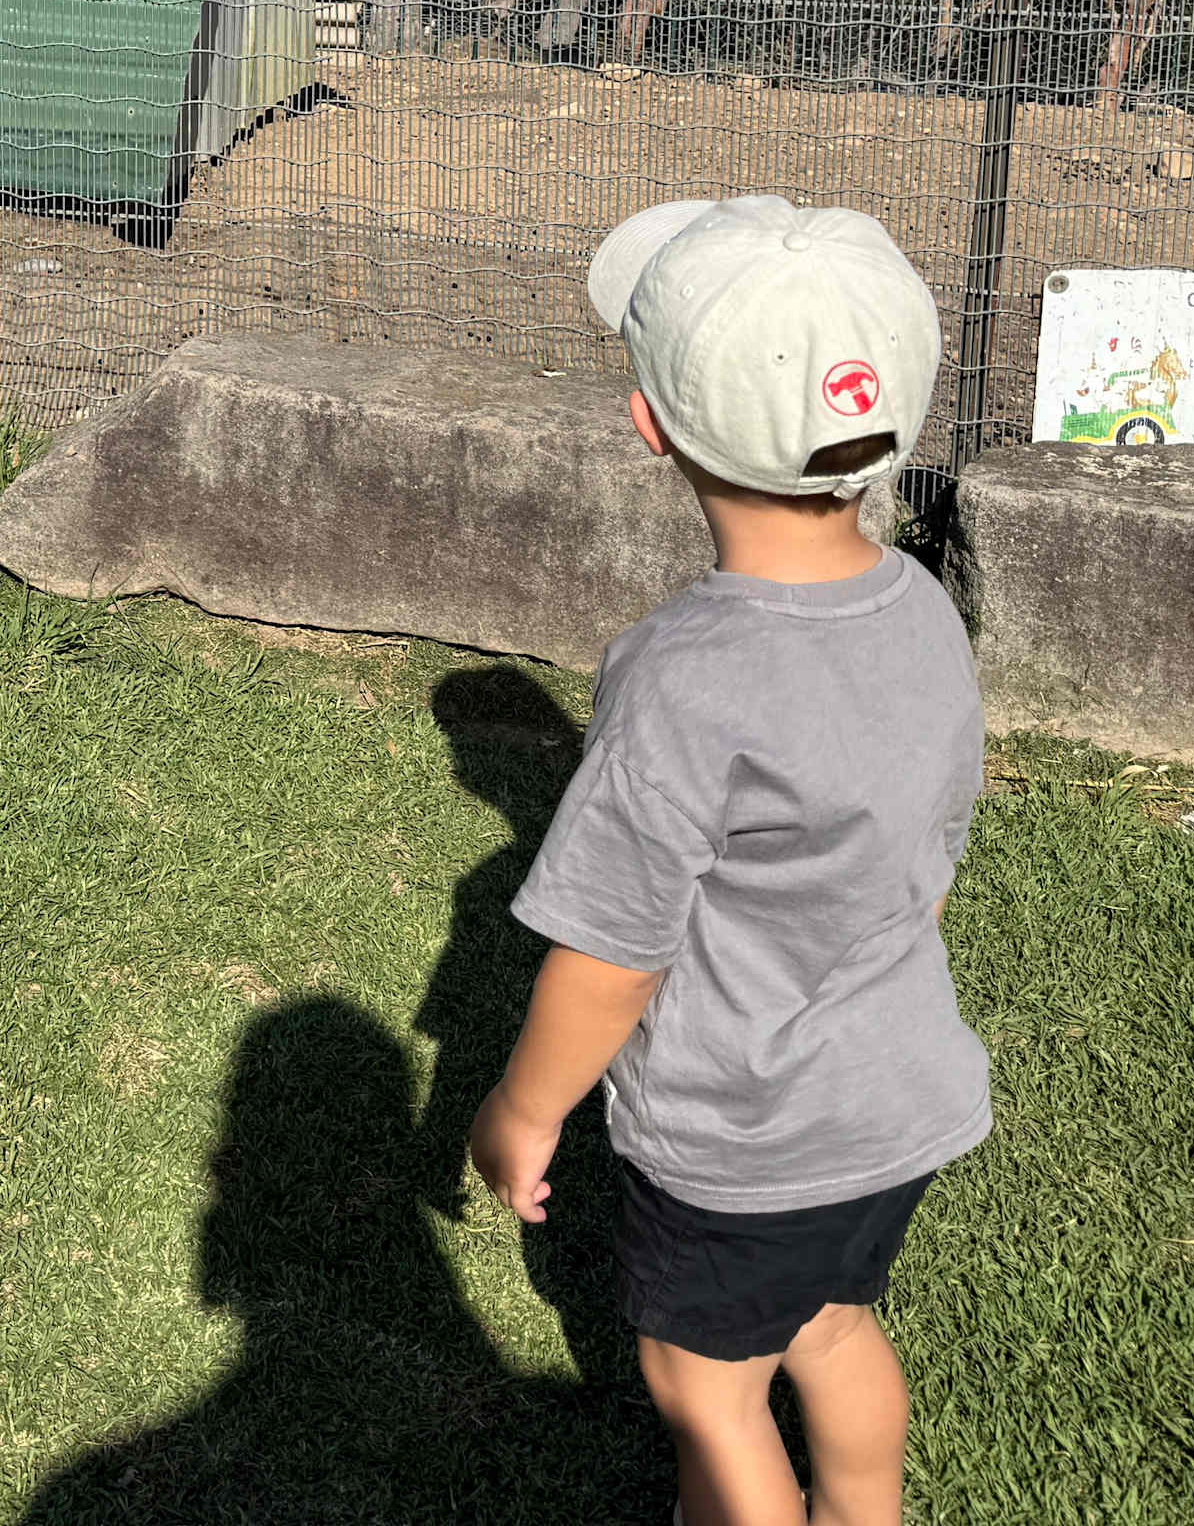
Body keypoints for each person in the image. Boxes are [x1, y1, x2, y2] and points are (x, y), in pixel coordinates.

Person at [467, 196, 986, 1526]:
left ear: (651, 427)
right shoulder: (923, 609)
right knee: (826, 1320)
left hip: (744, 1138)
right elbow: (928, 858)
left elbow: (612, 956)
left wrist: (524, 1116)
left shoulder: (684, 678)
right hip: (900, 1098)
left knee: (705, 1386)